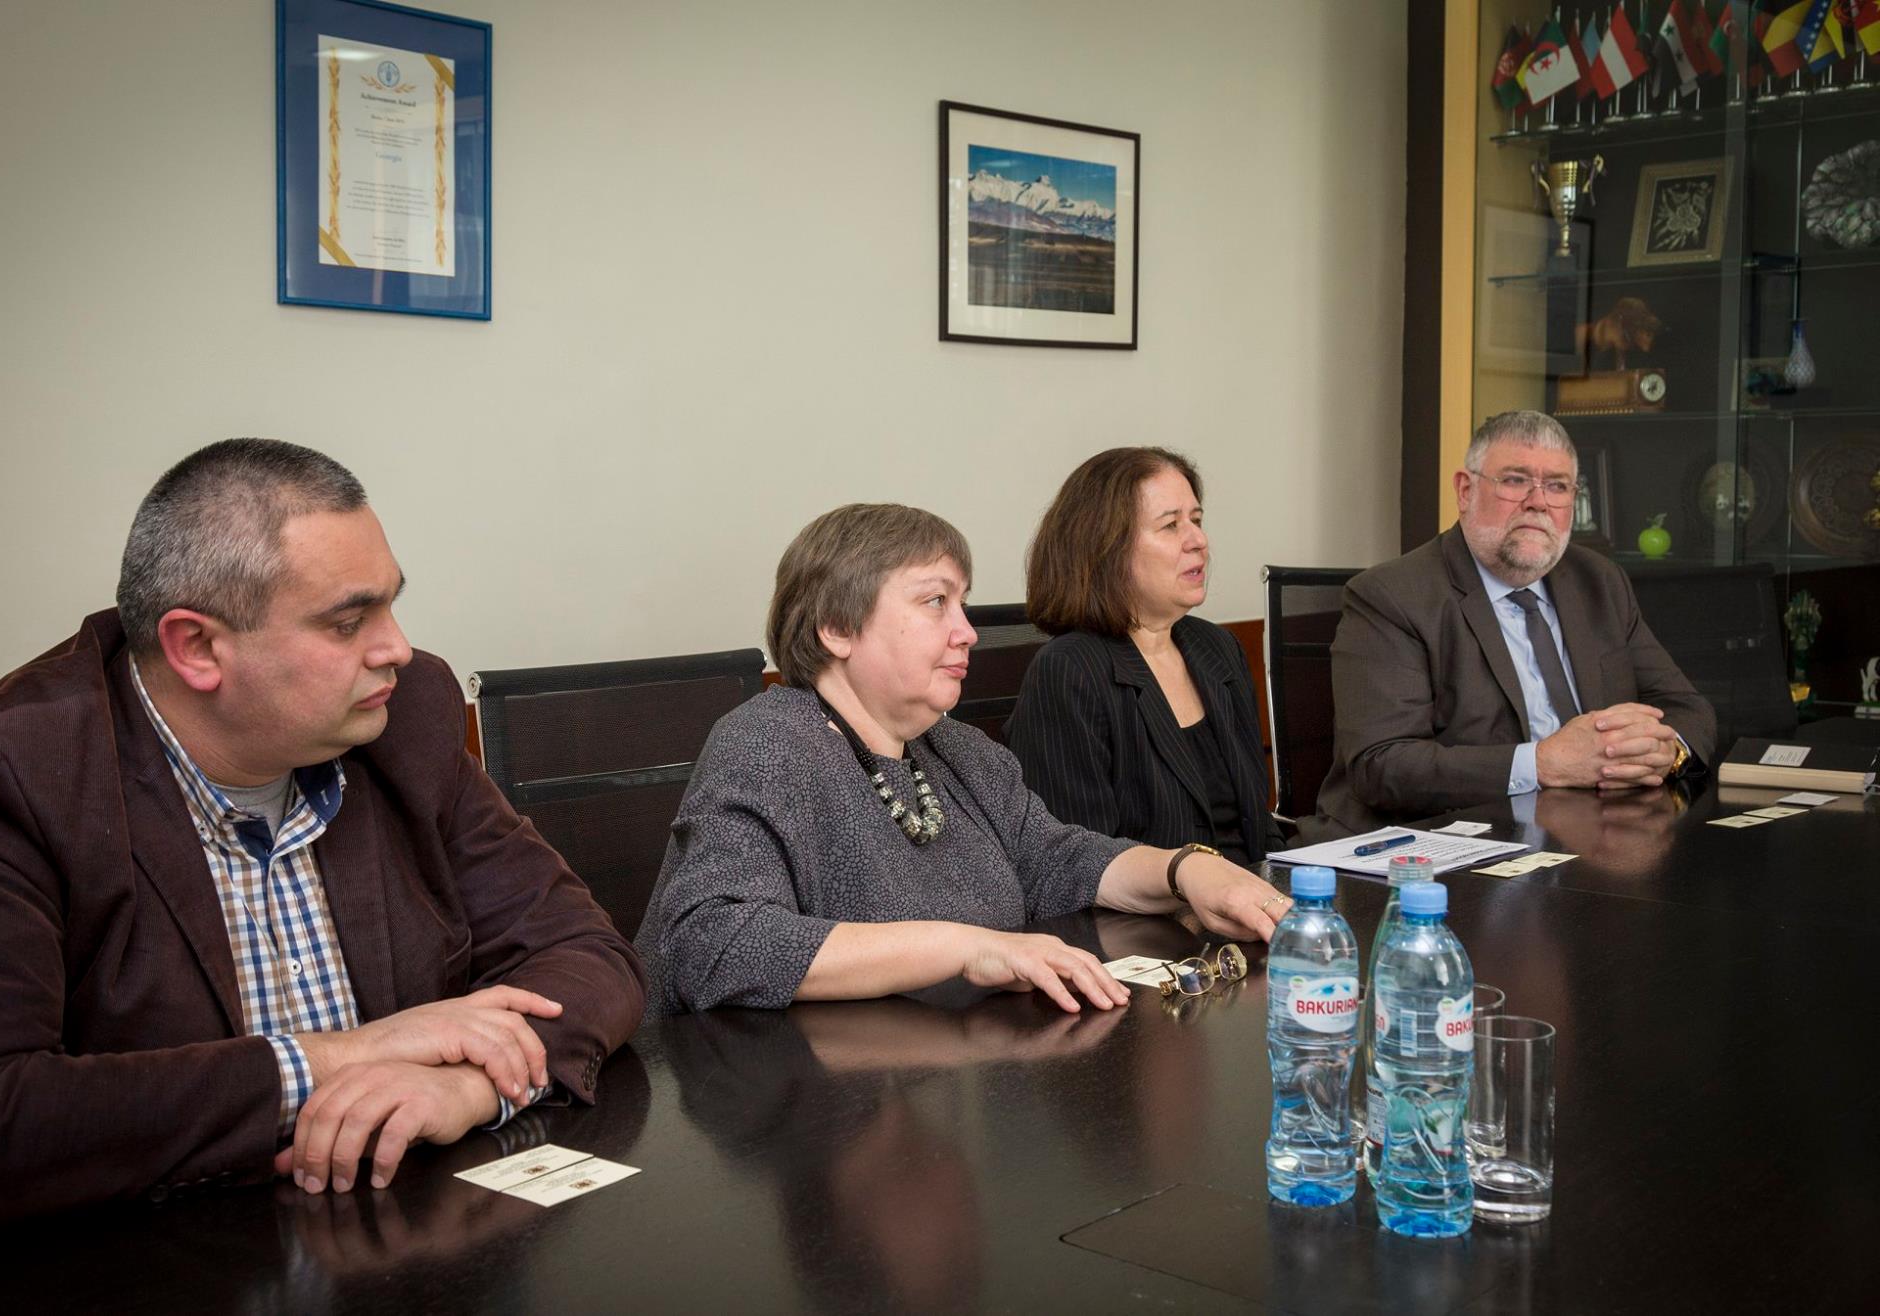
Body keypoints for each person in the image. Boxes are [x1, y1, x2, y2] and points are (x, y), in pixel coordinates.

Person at [0, 439, 646, 1226]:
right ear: (198, 647)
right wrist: (345, 1055)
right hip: (153, 1259)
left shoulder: (403, 717)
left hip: (404, 1235)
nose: (396, 649)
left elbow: (587, 955)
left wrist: (467, 1085)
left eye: (389, 605)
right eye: (348, 622)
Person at [635, 503, 1286, 1015]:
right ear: (836, 628)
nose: (967, 631)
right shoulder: (765, 744)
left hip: (926, 1073)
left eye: (963, 603)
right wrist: (963, 948)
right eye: (934, 601)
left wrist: (1185, 870)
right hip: (771, 1102)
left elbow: (1057, 859)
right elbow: (715, 943)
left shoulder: (955, 749)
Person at [1315, 410, 1715, 834]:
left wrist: (1667, 752)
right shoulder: (1392, 596)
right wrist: (1543, 763)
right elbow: (1382, 764)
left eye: (1557, 486)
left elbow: (1687, 708)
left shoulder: (1599, 582)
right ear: (1465, 490)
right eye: (1515, 480)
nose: (1538, 502)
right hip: (1438, 842)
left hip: (1585, 833)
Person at [1008, 447, 1283, 864]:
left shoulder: (1216, 647)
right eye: (1171, 525)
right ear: (1106, 548)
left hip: (1249, 890)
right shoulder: (1070, 670)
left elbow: (1259, 826)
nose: (1199, 541)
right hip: (1152, 903)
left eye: (1196, 520)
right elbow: (1079, 865)